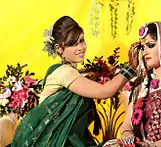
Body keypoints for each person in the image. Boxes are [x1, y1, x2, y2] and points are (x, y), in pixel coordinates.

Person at [11, 16, 139, 147]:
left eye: (82, 40)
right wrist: (131, 68)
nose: (81, 47)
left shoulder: (68, 72)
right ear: (59, 49)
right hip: (54, 142)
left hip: (67, 140)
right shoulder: (64, 72)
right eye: (73, 43)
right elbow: (105, 91)